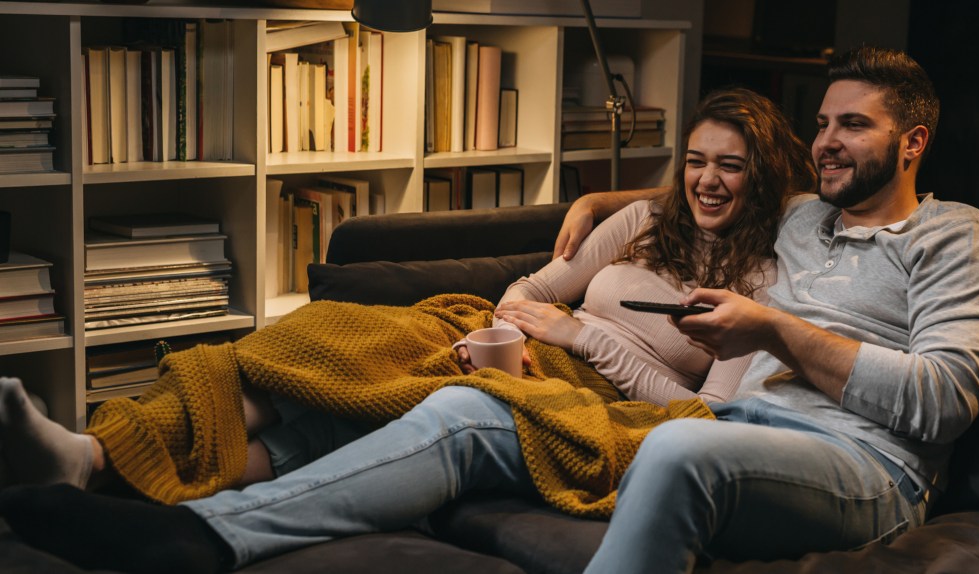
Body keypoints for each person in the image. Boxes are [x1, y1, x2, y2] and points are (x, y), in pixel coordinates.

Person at [0, 87, 819, 573]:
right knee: (314, 344)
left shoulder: (764, 285)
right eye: (697, 159)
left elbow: (699, 411)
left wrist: (580, 341)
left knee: (341, 402)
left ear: (764, 174)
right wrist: (513, 325)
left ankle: (107, 466)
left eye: (732, 165)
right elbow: (535, 286)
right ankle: (100, 454)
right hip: (506, 344)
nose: (708, 180)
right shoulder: (638, 219)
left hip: (590, 396)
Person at [553, 46, 979, 572]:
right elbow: (713, 184)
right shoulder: (803, 216)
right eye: (823, 124)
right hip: (737, 429)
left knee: (675, 446)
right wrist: (595, 202)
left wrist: (774, 331)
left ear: (913, 142)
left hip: (867, 466)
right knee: (478, 415)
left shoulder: (961, 238)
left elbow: (944, 401)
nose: (826, 143)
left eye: (852, 125)